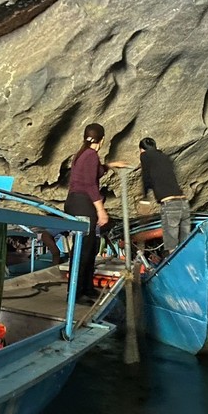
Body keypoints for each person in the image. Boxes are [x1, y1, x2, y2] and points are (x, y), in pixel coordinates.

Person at [65, 123, 130, 303]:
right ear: (102, 140)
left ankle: (86, 287)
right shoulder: (91, 155)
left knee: (91, 246)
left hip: (77, 202)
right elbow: (90, 185)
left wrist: (110, 165)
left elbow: (95, 173)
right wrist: (101, 210)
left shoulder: (83, 154)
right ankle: (76, 294)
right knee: (84, 249)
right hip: (82, 203)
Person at [138, 137, 190, 255]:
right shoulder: (165, 157)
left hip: (170, 204)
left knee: (172, 247)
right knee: (186, 245)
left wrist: (145, 197)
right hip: (183, 203)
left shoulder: (145, 156)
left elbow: (146, 176)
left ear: (142, 150)